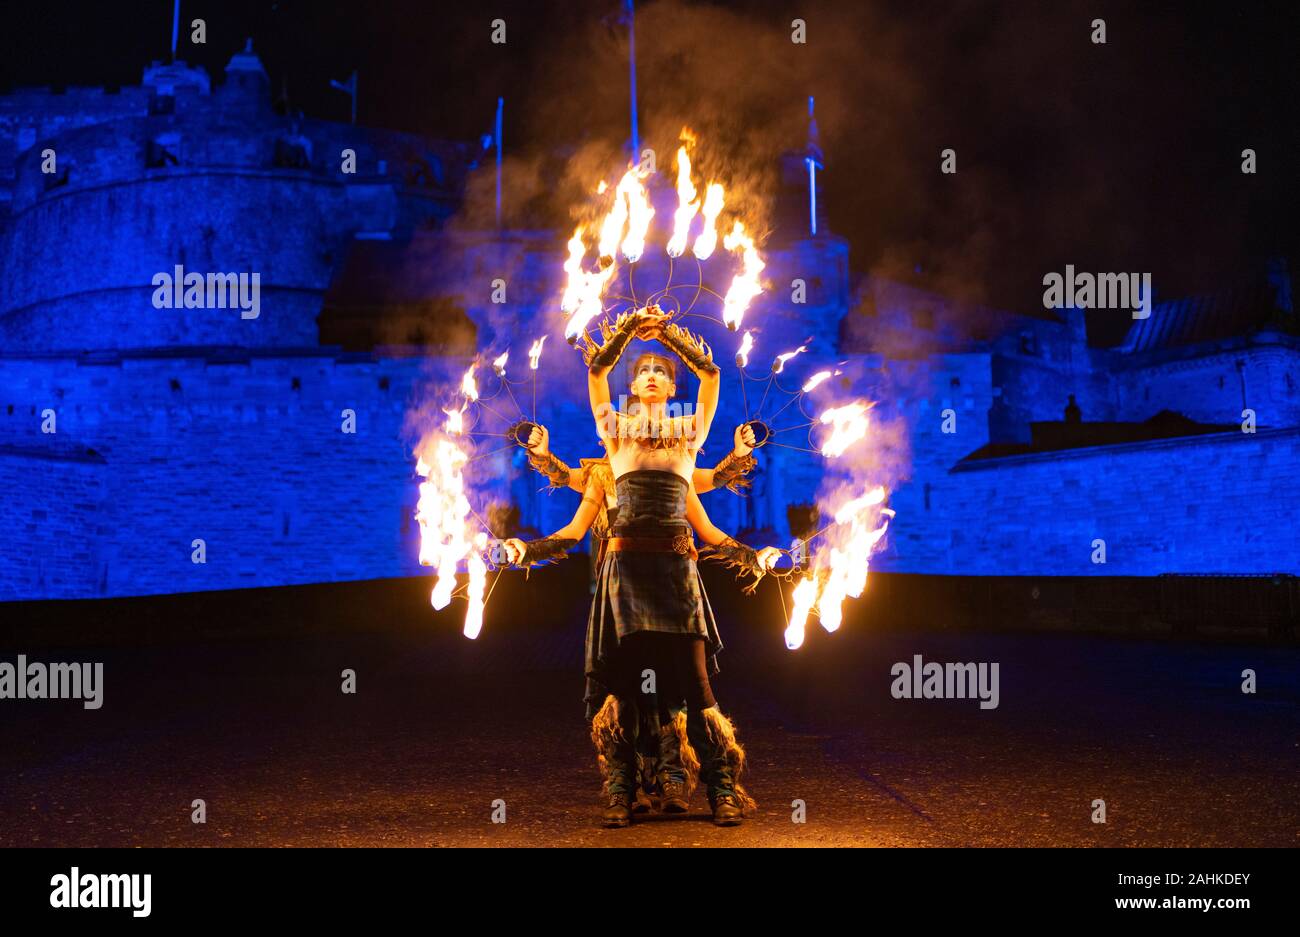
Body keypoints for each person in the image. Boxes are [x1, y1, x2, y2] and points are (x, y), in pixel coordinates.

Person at [501, 306, 778, 827]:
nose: (651, 375)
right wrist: (629, 328)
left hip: (677, 573)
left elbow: (712, 375)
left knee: (697, 686)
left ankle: (721, 788)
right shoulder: (616, 433)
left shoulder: (689, 433)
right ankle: (621, 790)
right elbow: (597, 372)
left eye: (660, 372)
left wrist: (667, 331)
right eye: (643, 371)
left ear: (672, 387)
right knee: (625, 687)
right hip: (625, 572)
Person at [522, 421, 758, 814]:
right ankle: (625, 786)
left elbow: (712, 499)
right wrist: (525, 548)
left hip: (673, 581)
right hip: (626, 584)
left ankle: (688, 781)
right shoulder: (603, 472)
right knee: (628, 689)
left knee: (684, 687)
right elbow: (572, 514)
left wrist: (755, 554)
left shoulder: (675, 467)